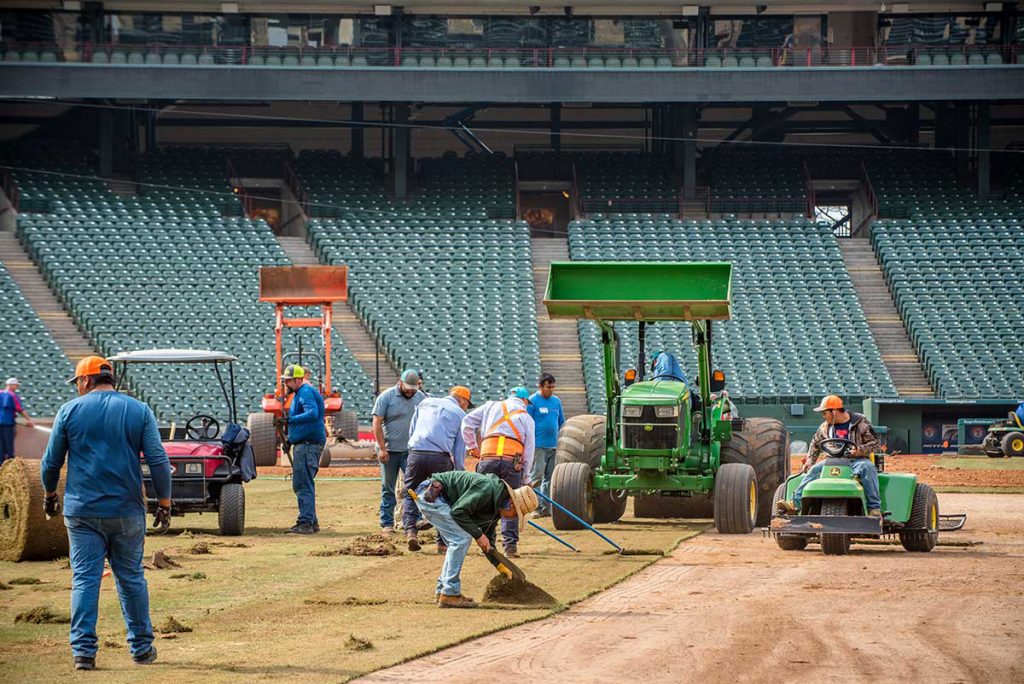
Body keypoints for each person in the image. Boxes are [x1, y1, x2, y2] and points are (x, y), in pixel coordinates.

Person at [40, 356, 171, 670]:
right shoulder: (138, 410)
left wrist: (49, 495)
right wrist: (164, 503)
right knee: (131, 579)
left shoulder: (69, 411)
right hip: (127, 510)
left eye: (78, 384)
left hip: (82, 511)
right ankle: (141, 649)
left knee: (85, 580)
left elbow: (50, 464)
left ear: (85, 381)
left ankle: (83, 653)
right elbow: (158, 461)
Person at [413, 470, 538, 608]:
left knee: (457, 541)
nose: (511, 518)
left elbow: (487, 543)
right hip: (431, 495)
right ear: (511, 504)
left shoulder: (495, 507)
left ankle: (443, 591)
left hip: (439, 499)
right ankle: (449, 593)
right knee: (461, 539)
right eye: (515, 514)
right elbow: (458, 512)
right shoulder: (486, 489)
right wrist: (478, 535)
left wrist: (501, 566)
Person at [776, 395, 883, 517]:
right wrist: (810, 460)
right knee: (813, 471)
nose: (823, 416)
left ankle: (874, 509)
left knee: (868, 468)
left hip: (857, 460)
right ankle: (795, 504)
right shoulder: (825, 427)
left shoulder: (860, 423)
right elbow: (815, 443)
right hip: (832, 460)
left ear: (834, 411)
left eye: (824, 413)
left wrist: (859, 450)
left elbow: (875, 444)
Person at [461, 387, 535, 557]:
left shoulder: (490, 406)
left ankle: (488, 545)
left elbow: (467, 422)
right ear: (524, 401)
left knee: (487, 501)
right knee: (511, 502)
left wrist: (472, 447)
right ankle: (510, 547)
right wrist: (526, 478)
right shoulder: (526, 417)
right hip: (512, 462)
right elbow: (529, 451)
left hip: (487, 459)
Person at [403, 386, 473, 553]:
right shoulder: (461, 415)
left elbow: (412, 430)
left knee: (410, 492)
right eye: (466, 404)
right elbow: (458, 450)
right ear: (462, 400)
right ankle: (441, 542)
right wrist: (457, 474)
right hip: (440, 457)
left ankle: (411, 532)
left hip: (416, 453)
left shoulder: (425, 403)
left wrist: (412, 452)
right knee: (443, 497)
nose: (466, 407)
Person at [372, 369, 425, 534]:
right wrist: (381, 448)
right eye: (407, 387)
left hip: (410, 451)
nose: (410, 391)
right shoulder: (386, 397)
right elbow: (377, 422)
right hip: (389, 451)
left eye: (413, 388)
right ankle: (386, 523)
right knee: (388, 487)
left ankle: (413, 520)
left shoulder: (420, 397)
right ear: (400, 382)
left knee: (413, 486)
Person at [282, 364, 326, 534]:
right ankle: (311, 521)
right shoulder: (303, 392)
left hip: (308, 445)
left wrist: (290, 420)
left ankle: (305, 523)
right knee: (305, 483)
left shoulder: (305, 392)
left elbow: (312, 413)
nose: (286, 383)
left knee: (302, 484)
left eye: (288, 380)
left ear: (298, 379)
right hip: (307, 444)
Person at [527, 373, 565, 517]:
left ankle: (546, 508)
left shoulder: (556, 401)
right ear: (540, 386)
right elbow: (527, 423)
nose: (551, 390)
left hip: (553, 446)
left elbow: (562, 422)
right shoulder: (532, 401)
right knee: (536, 476)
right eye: (549, 387)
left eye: (553, 387)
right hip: (538, 446)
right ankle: (535, 507)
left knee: (549, 479)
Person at [0, 377, 35, 464]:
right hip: (8, 424)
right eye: (16, 385)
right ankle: (10, 463)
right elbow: (20, 409)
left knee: (1, 445)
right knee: (8, 445)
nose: (17, 387)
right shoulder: (12, 396)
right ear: (11, 385)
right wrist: (29, 420)